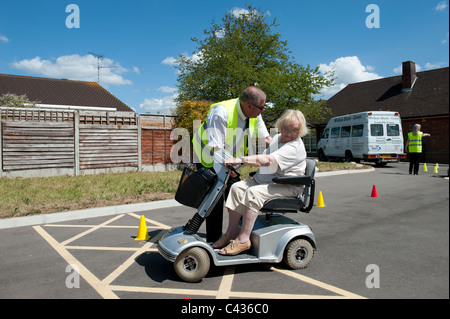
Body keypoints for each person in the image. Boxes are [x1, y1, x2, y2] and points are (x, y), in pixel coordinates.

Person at [213, 109, 309, 256]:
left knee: (253, 193)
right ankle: (231, 232)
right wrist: (237, 166)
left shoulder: (294, 147)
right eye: (285, 129)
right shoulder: (277, 138)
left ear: (301, 130)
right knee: (237, 187)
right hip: (270, 182)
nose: (289, 133)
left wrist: (241, 159)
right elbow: (263, 157)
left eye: (294, 130)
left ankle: (243, 240)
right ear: (280, 126)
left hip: (289, 186)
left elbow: (268, 160)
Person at [192, 87, 271, 242]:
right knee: (214, 199)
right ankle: (214, 240)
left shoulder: (255, 114)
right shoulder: (221, 112)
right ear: (250, 106)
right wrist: (231, 168)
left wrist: (284, 151)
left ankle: (238, 235)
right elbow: (217, 148)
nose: (263, 111)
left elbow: (267, 139)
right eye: (262, 108)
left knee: (236, 193)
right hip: (208, 157)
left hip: (230, 161)